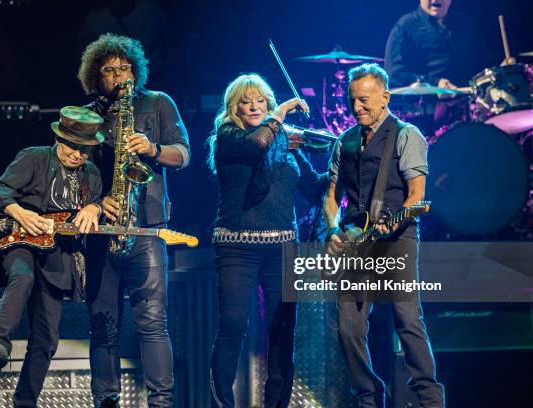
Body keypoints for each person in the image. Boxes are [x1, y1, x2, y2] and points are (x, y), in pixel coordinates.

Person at [77, 33, 190, 408]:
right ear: (96, 77)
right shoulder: (86, 116)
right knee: (103, 325)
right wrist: (94, 202)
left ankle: (161, 402)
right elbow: (72, 175)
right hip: (102, 230)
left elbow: (184, 155)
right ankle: (104, 401)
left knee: (153, 324)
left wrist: (153, 148)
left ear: (136, 71)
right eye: (109, 70)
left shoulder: (158, 103)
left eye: (125, 68)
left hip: (146, 228)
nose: (119, 75)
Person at [323, 63, 445, 407]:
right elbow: (331, 196)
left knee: (406, 318)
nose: (356, 107)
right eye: (352, 101)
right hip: (355, 241)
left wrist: (396, 220)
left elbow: (417, 195)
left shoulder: (407, 135)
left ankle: (429, 397)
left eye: (364, 100)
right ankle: (367, 396)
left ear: (385, 97)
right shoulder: (343, 142)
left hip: (397, 239)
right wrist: (333, 229)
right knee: (348, 327)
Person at [207, 73, 327, 408]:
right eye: (246, 101)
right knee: (232, 325)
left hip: (282, 249)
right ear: (235, 107)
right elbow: (256, 144)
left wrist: (341, 163)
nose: (254, 106)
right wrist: (279, 115)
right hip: (236, 246)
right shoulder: (229, 136)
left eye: (261, 100)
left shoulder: (284, 142)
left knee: (282, 328)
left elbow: (314, 188)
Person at [0, 106, 104, 407]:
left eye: (85, 150)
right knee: (22, 275)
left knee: (47, 337)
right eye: (73, 147)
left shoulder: (91, 174)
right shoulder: (34, 157)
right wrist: (18, 211)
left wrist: (94, 208)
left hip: (56, 255)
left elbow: (97, 204)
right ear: (59, 139)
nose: (78, 155)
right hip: (18, 241)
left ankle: (25, 401)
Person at [384, 0, 492, 90]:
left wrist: (502, 71)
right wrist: (434, 84)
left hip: (470, 107)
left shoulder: (467, 25)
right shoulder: (405, 27)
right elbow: (394, 74)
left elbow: (485, 66)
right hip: (427, 109)